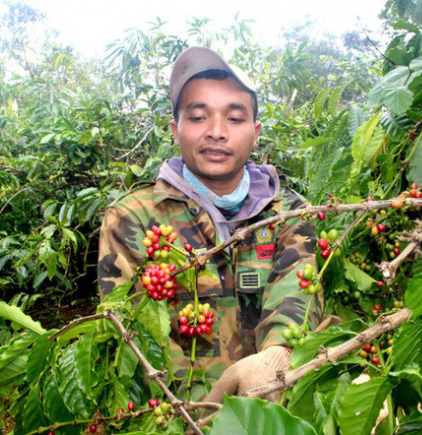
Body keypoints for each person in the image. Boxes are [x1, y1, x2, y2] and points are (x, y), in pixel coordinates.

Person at [97, 46, 322, 402]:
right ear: (175, 129)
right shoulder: (133, 218)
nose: (217, 132)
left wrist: (276, 359)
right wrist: (195, 411)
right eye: (199, 117)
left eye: (234, 119)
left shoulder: (289, 212)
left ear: (255, 131)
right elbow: (133, 333)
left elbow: (296, 297)